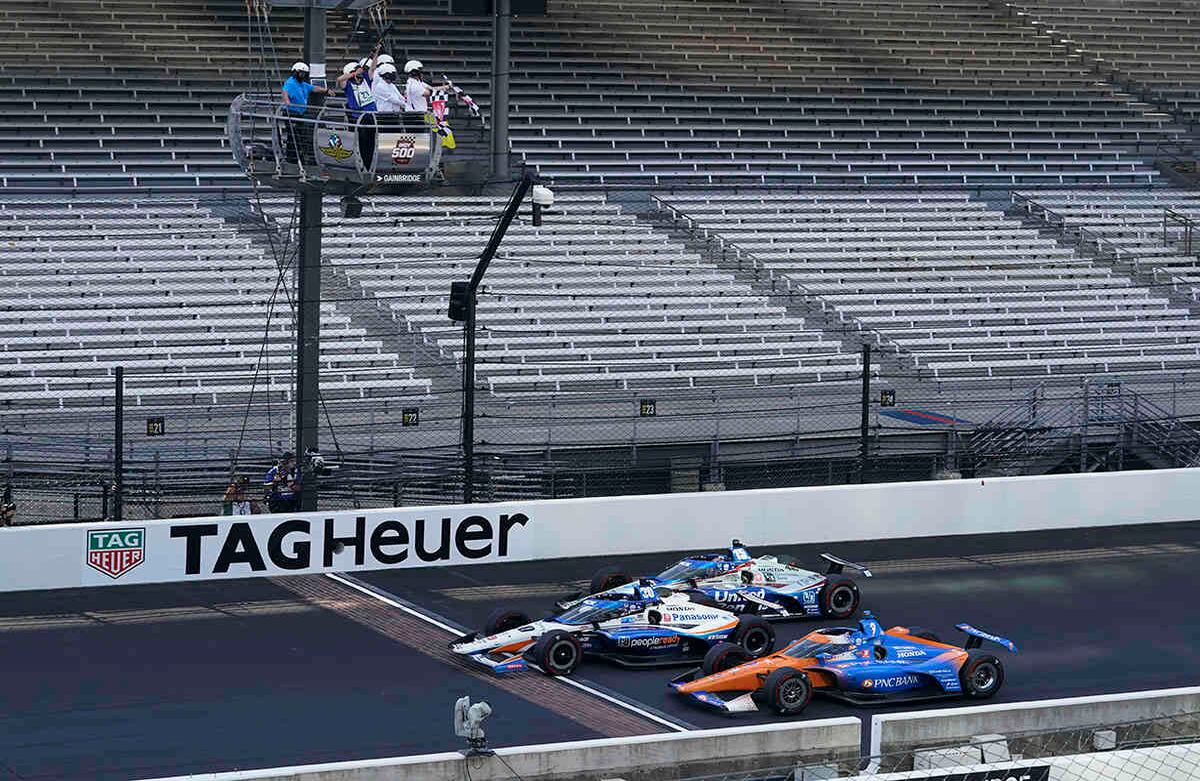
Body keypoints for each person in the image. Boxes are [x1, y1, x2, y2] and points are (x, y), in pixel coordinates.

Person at [280, 61, 332, 164]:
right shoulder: (290, 83)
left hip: (300, 114)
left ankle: (297, 157)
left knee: (299, 136)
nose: (302, 75)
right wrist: (287, 102)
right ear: (296, 72)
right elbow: (285, 92)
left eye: (304, 73)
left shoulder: (303, 84)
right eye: (301, 73)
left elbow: (314, 88)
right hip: (292, 113)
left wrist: (326, 90)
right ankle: (292, 159)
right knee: (293, 136)